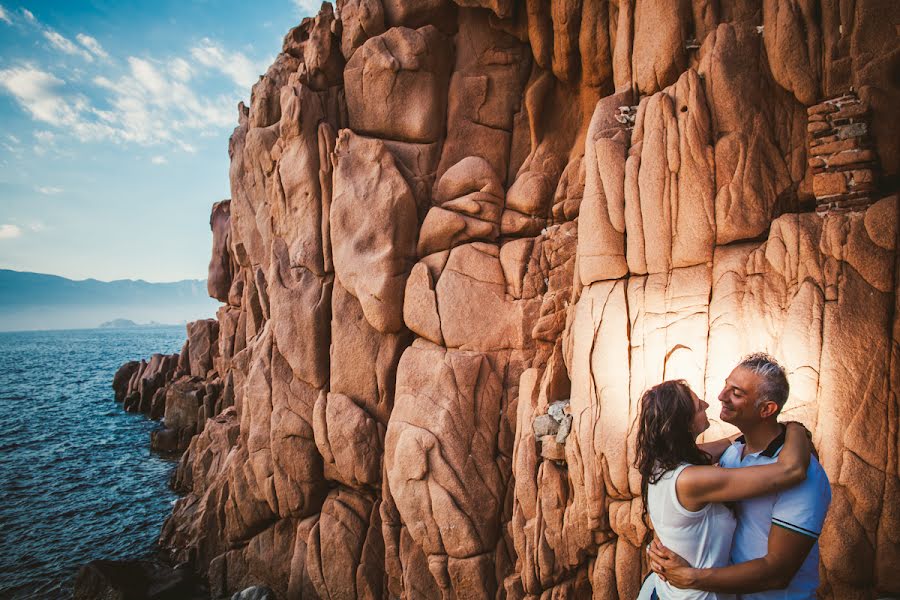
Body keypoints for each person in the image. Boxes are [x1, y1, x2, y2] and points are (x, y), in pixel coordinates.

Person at [648, 353, 832, 599]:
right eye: (726, 385)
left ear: (767, 409)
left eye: (736, 392)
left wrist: (691, 577)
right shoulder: (730, 457)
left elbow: (778, 573)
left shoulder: (803, 472)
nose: (720, 397)